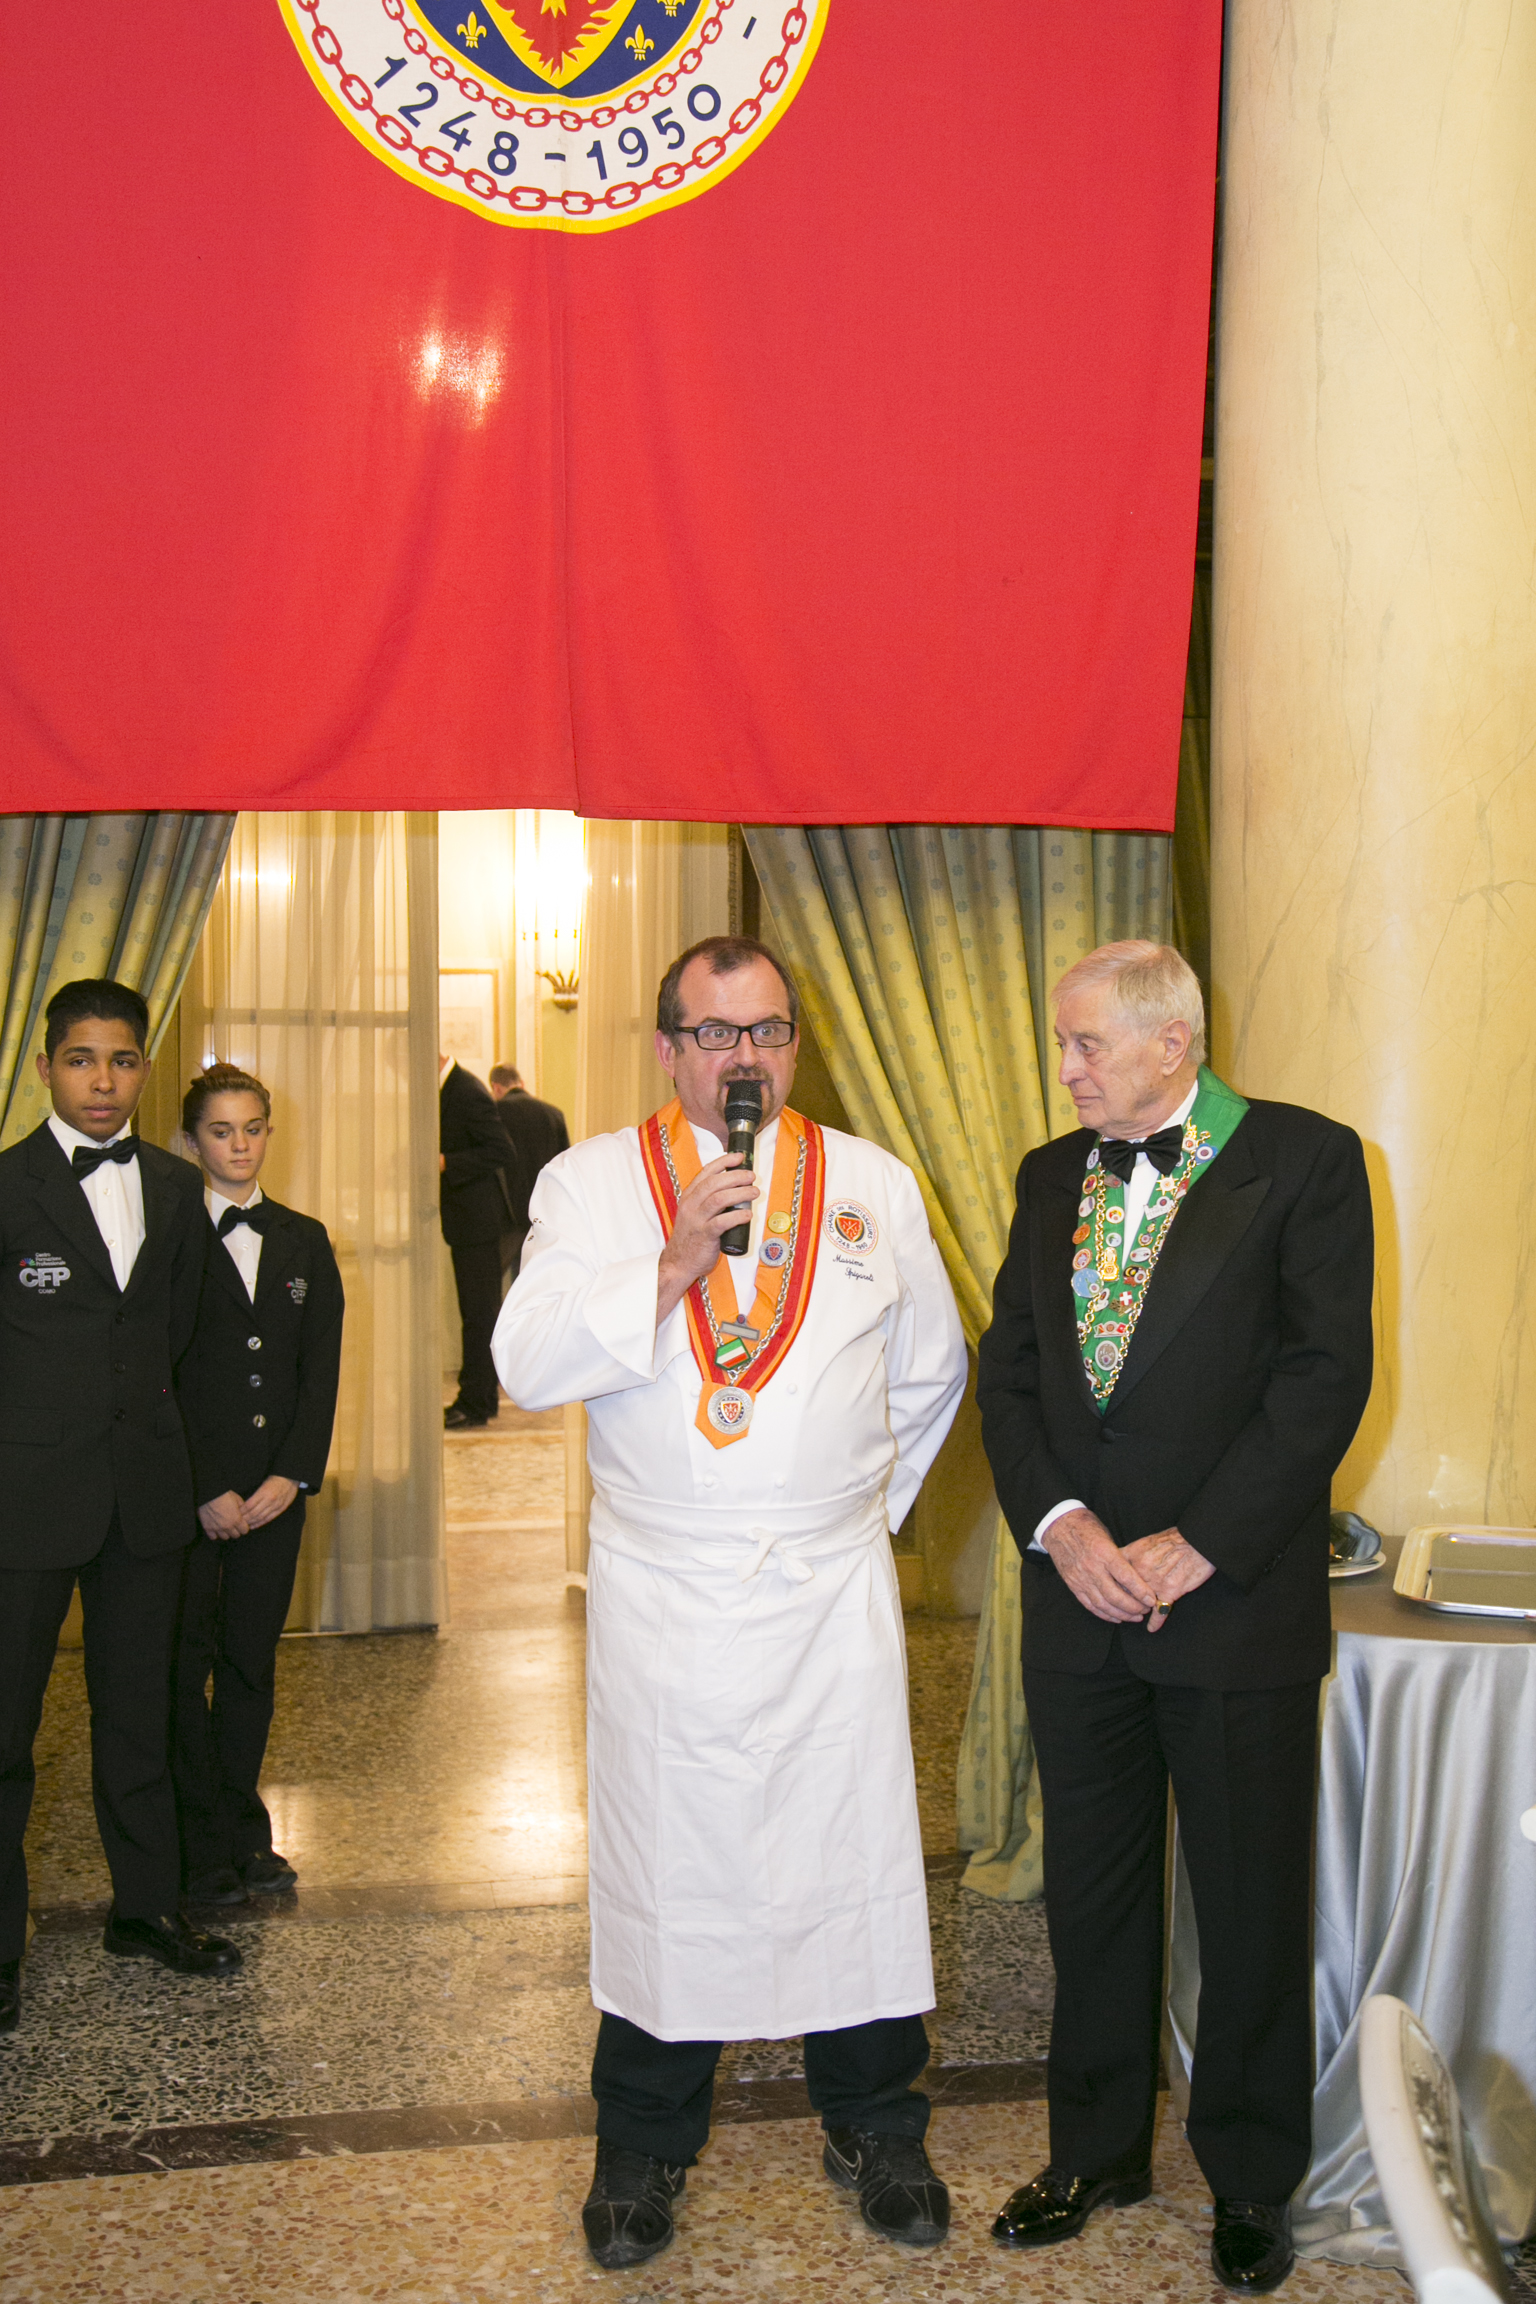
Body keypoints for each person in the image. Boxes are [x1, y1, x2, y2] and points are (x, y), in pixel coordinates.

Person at [493, 936, 966, 2271]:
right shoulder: (590, 1182)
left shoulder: (872, 1182)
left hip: (826, 1587)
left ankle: (876, 2122)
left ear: (795, 1044)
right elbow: (525, 1362)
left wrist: (850, 1518)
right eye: (715, 1032)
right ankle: (643, 2142)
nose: (743, 1056)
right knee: (669, 1863)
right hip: (669, 1593)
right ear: (668, 1049)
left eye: (767, 1030)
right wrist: (671, 1264)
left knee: (853, 1855)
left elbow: (930, 1372)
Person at [976, 942, 1374, 2296]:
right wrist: (1063, 1527)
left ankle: (1252, 2177)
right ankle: (1093, 2153)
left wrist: (1201, 1542)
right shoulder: (1048, 1175)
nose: (1067, 1069)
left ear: (1173, 1043)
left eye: (1086, 1044)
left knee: (1251, 1903)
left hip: (1233, 1602)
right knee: (1091, 1899)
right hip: (1080, 1599)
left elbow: (1324, 1378)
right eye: (1065, 1043)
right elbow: (1009, 1378)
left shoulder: (1306, 1160)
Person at [0, 980, 242, 2034]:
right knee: (5, 1732)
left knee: (142, 1717)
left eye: (123, 1060)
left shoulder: (178, 1188)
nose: (103, 1081)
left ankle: (145, 1910)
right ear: (46, 1068)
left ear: (145, 1068)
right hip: (24, 1497)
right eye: (81, 1059)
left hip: (144, 1497)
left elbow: (177, 1339)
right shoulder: (6, 1187)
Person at [170, 1064, 344, 1906]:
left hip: (274, 1495)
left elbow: (319, 1371)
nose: (239, 1146)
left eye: (252, 1128)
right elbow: (158, 1373)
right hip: (191, 1499)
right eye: (220, 1131)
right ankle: (197, 1842)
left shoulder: (304, 1238)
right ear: (190, 1141)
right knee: (181, 1669)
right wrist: (203, 1486)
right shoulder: (167, 1238)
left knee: (250, 1665)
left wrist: (291, 1475)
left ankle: (245, 1832)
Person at [440, 1054, 513, 1429]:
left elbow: (501, 1149)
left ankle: (475, 1402)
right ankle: (479, 1398)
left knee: (480, 1316)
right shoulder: (453, 1087)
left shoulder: (465, 1089)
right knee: (477, 1315)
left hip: (478, 1223)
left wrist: (446, 1163)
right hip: (468, 1223)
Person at [487, 1063, 568, 1277]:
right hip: (545, 1213)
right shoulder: (554, 1114)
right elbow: (563, 1166)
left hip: (507, 1215)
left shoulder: (495, 1114)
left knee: (497, 1283)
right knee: (535, 1279)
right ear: (521, 1083)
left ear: (496, 1087)